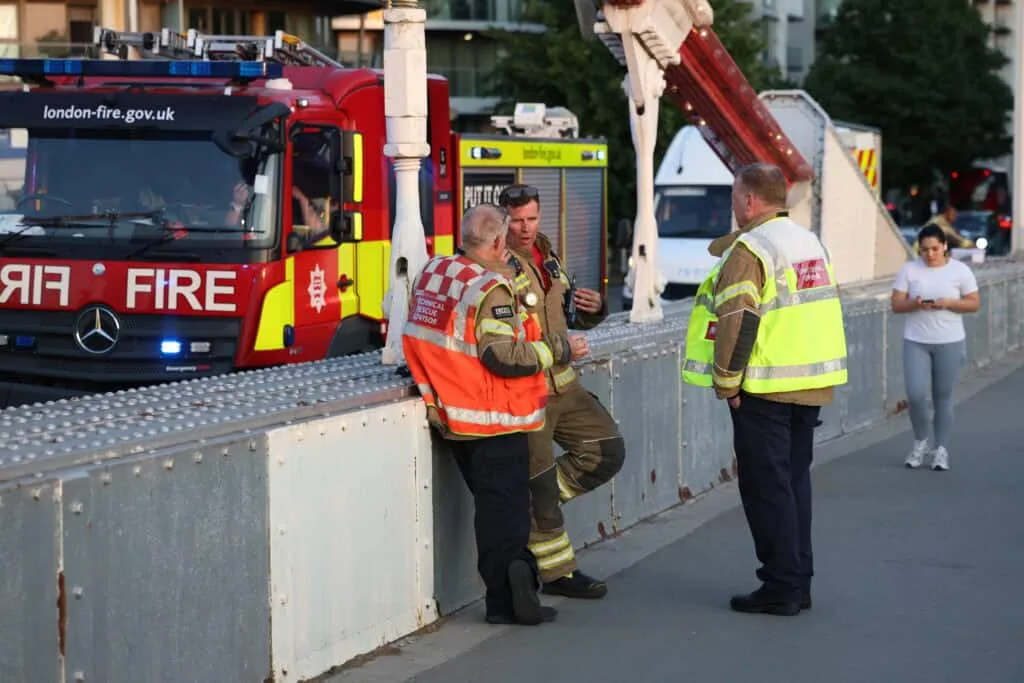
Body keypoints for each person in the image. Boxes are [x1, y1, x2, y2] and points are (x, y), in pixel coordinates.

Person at [682, 163, 848, 616]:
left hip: (765, 388)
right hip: (810, 383)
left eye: (736, 197)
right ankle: (799, 580)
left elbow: (737, 321)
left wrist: (727, 385)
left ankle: (780, 586)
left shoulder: (751, 249)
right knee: (794, 483)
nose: (733, 205)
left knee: (765, 488)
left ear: (750, 200)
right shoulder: (808, 241)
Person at [402, 203, 558, 626]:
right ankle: (509, 598)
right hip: (494, 419)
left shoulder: (436, 272)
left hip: (454, 415)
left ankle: (507, 591)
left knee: (494, 510)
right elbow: (502, 355)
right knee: (504, 515)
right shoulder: (490, 290)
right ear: (497, 241)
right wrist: (558, 350)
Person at [498, 184, 626, 600]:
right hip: (526, 391)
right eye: (516, 220)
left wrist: (594, 310)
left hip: (564, 384)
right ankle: (558, 575)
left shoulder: (546, 254)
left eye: (531, 219)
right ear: (503, 220)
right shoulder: (495, 266)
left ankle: (536, 510)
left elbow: (564, 317)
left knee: (607, 451)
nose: (525, 228)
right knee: (537, 481)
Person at [890, 224, 980, 471]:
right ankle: (920, 442)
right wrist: (915, 303)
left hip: (949, 340)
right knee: (916, 395)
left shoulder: (959, 271)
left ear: (945, 246)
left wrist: (949, 302)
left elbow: (973, 304)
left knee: (943, 396)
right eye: (924, 250)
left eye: (935, 249)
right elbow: (896, 304)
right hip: (916, 340)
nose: (930, 254)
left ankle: (940, 449)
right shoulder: (910, 269)